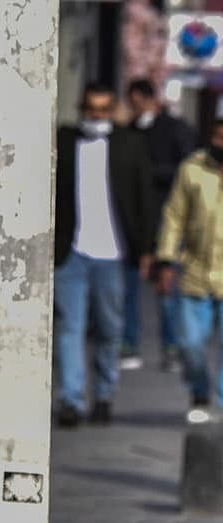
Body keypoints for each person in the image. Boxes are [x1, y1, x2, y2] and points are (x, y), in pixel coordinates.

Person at [53, 83, 157, 428]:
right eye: (90, 109)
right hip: (70, 252)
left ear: (112, 111)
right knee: (70, 327)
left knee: (109, 330)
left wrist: (146, 249)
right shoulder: (65, 142)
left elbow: (145, 198)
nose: (96, 116)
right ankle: (71, 399)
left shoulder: (130, 146)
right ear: (81, 108)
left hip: (112, 253)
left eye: (103, 110)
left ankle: (104, 394)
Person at [123, 79, 197, 372]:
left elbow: (186, 167)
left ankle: (170, 346)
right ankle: (129, 344)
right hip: (135, 221)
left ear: (146, 99)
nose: (133, 106)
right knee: (128, 287)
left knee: (166, 285)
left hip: (166, 218)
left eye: (135, 100)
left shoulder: (173, 128)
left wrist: (150, 173)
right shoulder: (129, 132)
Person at [156, 119, 223, 410]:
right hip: (196, 273)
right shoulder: (192, 168)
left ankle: (219, 412)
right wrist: (166, 259)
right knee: (189, 345)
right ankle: (198, 388)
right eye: (220, 137)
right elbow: (174, 216)